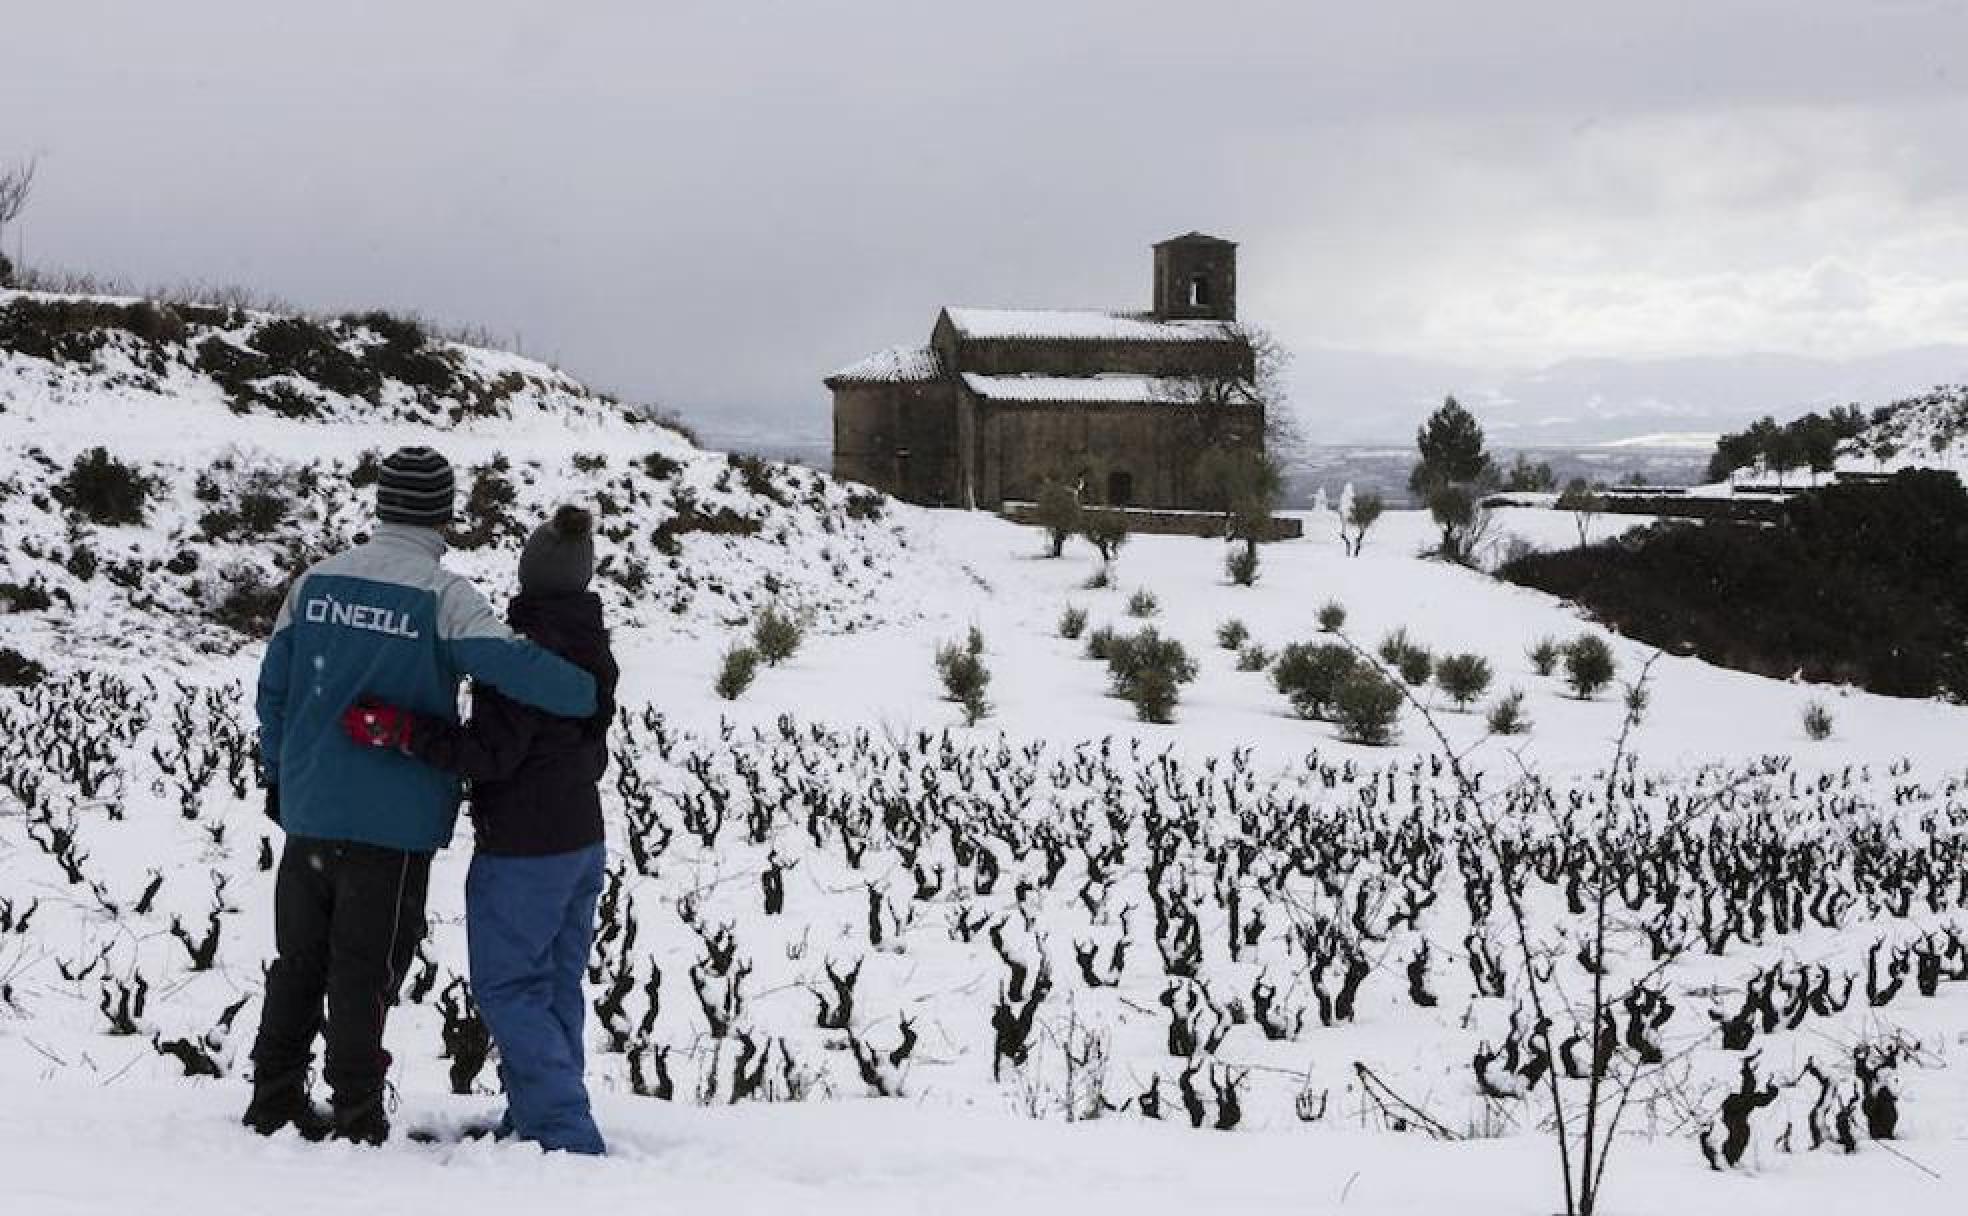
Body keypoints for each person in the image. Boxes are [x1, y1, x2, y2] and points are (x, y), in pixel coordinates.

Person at [245, 447, 597, 1146]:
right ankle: (356, 1112)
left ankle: (274, 1097)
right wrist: (583, 690)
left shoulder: (314, 583)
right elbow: (533, 676)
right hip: (394, 820)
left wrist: (280, 774)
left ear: (381, 506)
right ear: (444, 512)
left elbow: (274, 692)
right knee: (364, 969)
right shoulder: (446, 597)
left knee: (298, 960)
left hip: (311, 807)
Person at [342, 504, 616, 1155]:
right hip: (582, 838)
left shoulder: (520, 656)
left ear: (529, 577)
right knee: (554, 983)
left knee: (508, 987)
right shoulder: (593, 644)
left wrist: (406, 732)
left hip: (525, 848)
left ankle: (563, 1129)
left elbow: (491, 754)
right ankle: (538, 1112)